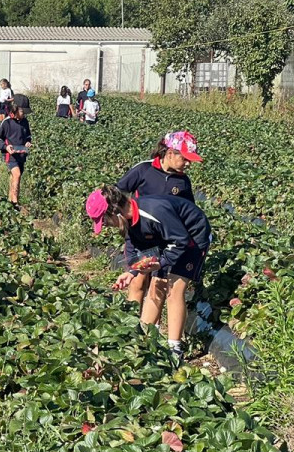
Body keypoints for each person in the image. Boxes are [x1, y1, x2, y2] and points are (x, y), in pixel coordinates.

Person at [86, 184, 211, 365]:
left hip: (193, 238)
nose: (104, 225)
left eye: (103, 220)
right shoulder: (129, 221)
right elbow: (136, 248)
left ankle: (174, 349)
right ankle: (141, 341)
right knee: (156, 287)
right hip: (168, 240)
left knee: (174, 290)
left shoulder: (154, 211)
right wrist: (132, 272)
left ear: (114, 211)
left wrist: (160, 262)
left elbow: (181, 240)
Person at [115, 130, 202, 309]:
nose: (187, 164)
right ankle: (130, 322)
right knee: (138, 280)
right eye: (185, 159)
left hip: (165, 239)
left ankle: (150, 326)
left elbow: (188, 210)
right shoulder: (144, 170)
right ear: (170, 153)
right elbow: (118, 193)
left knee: (159, 281)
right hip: (141, 234)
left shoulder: (182, 182)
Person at [0, 103, 32, 207]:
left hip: (21, 153)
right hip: (10, 154)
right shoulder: (7, 122)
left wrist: (28, 142)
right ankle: (15, 203)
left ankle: (11, 200)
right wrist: (6, 147)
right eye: (21, 111)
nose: (24, 114)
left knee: (15, 178)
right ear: (15, 110)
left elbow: (28, 136)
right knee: (17, 175)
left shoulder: (25, 121)